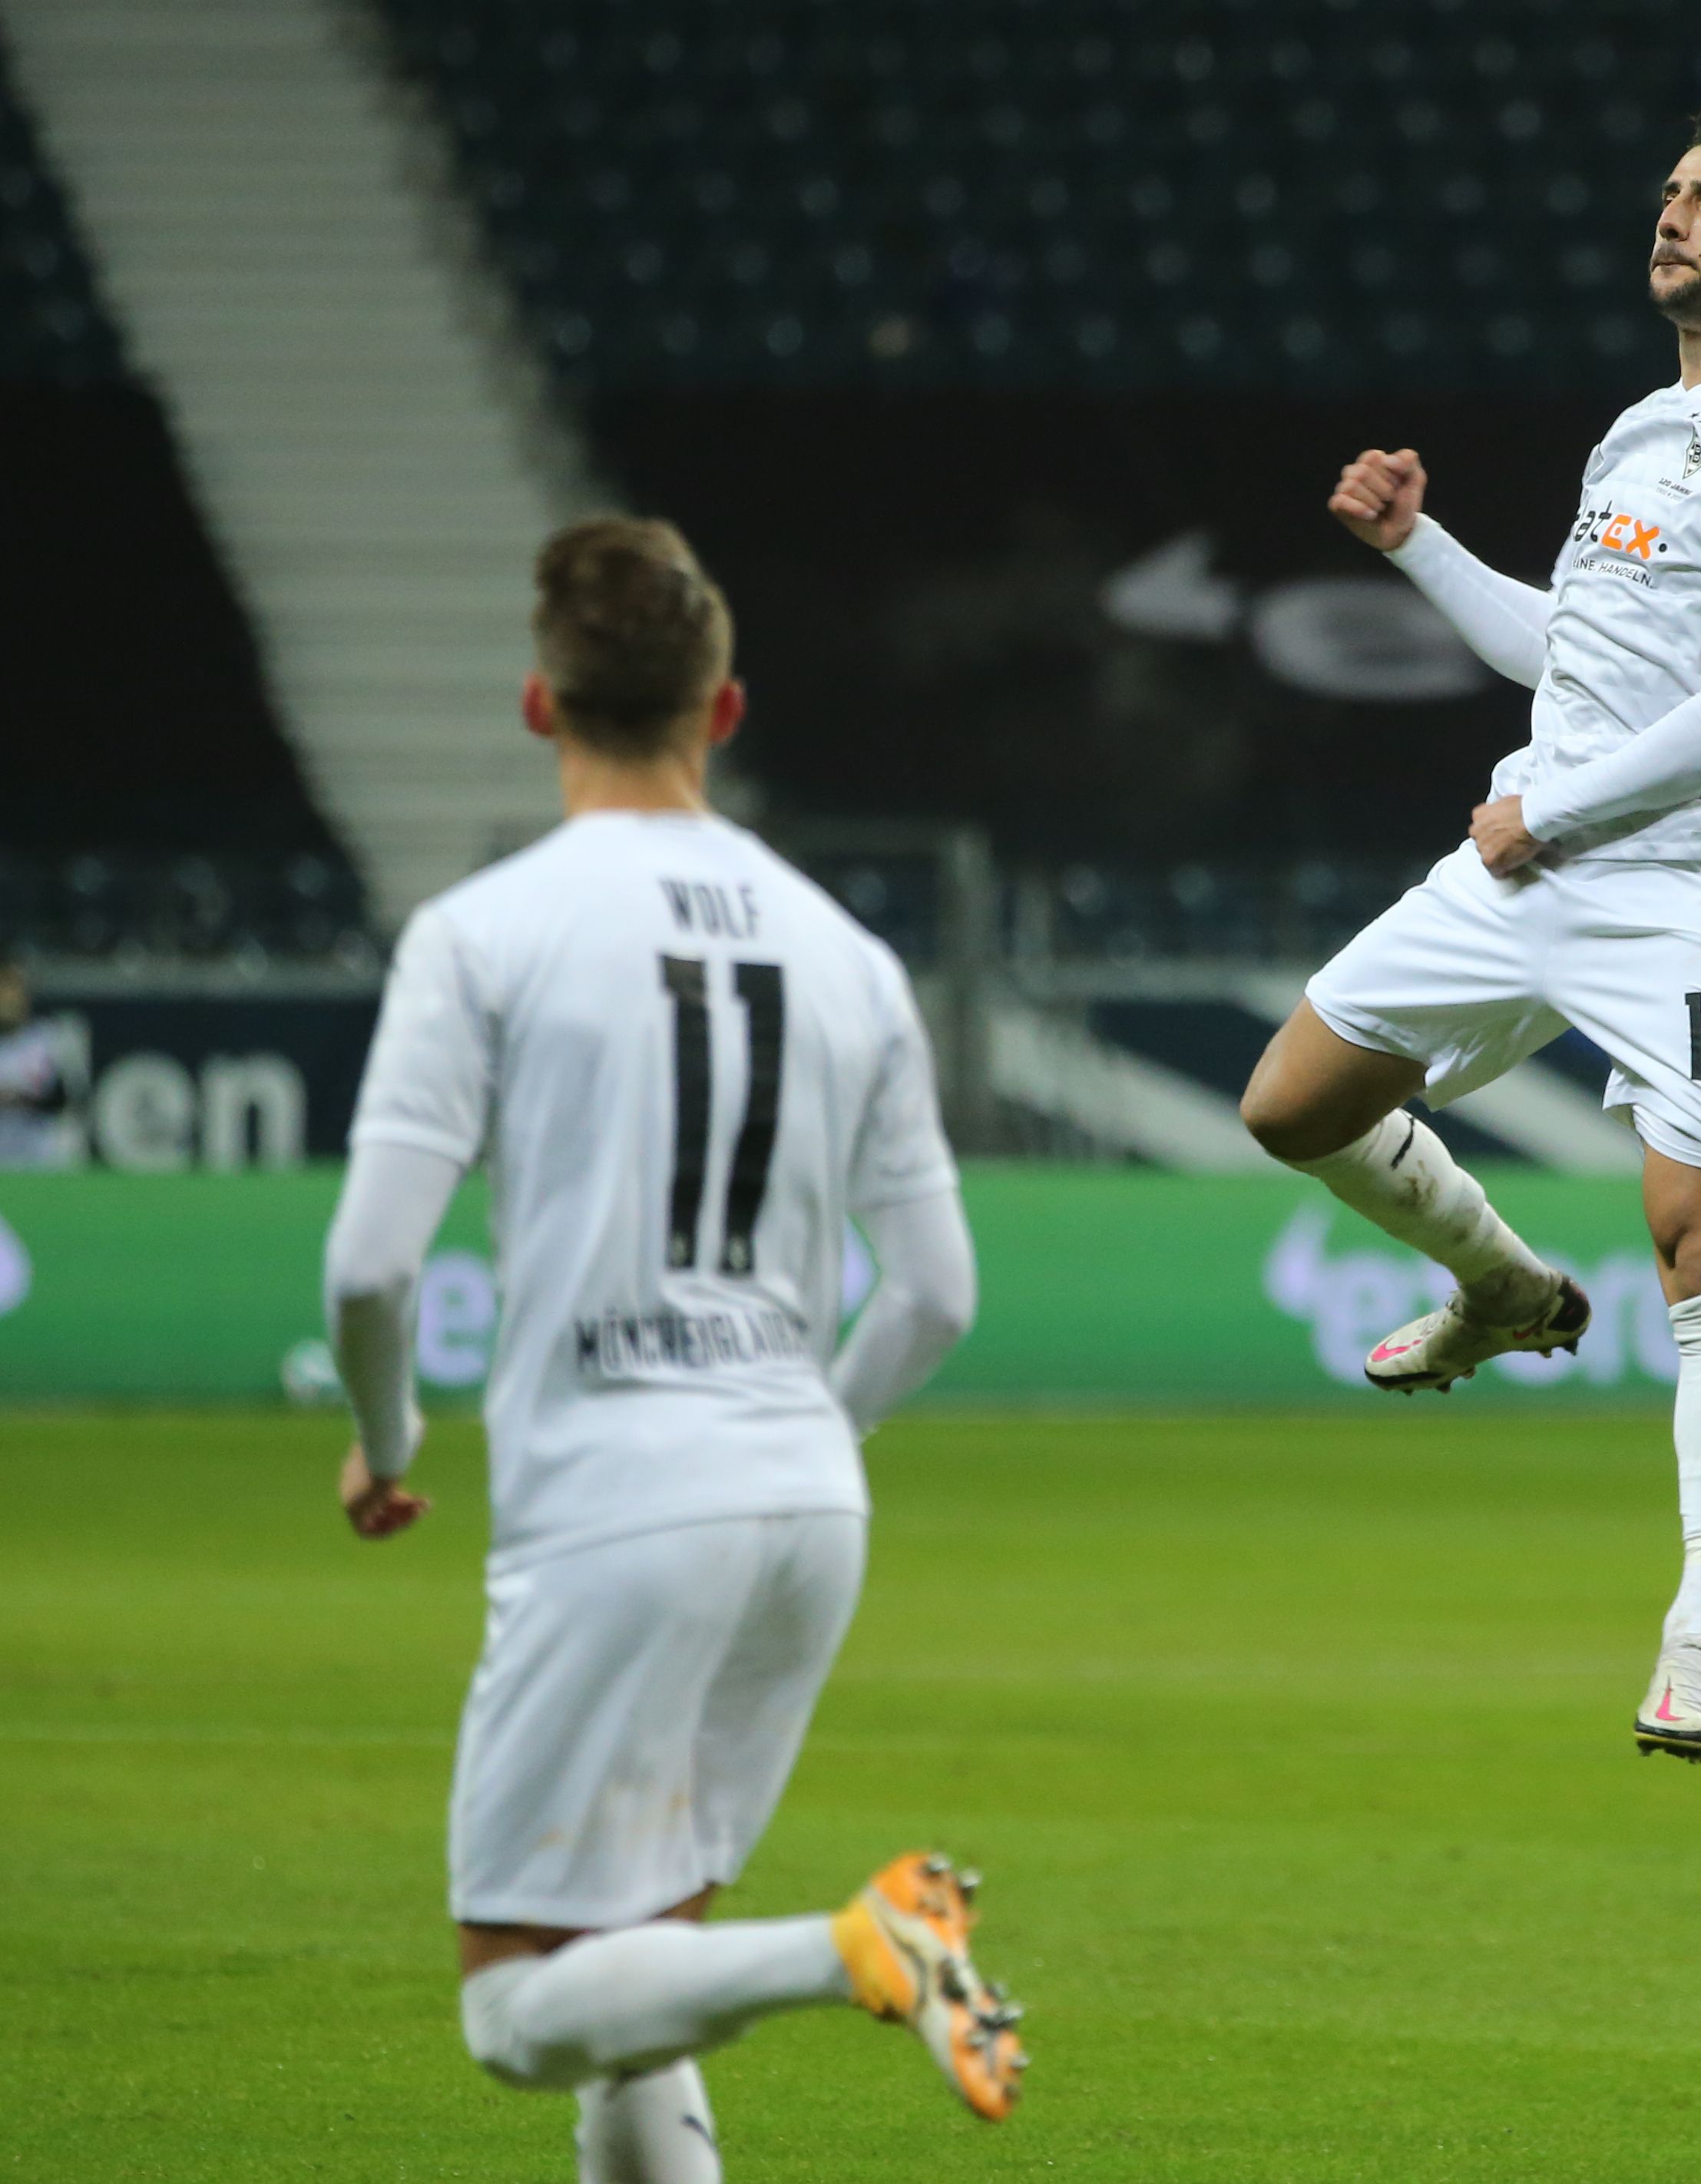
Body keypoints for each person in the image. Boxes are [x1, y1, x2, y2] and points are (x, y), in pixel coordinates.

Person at [323, 517, 1022, 2180]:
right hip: (802, 1506)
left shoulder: (483, 933)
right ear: (724, 713)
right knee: (634, 1979)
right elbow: (934, 1291)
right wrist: (803, 1434)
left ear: (536, 708)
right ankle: (842, 1954)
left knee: (520, 2007)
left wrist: (390, 1443)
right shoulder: (850, 957)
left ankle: (861, 1943)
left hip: (616, 1504)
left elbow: (369, 1266)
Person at [1236, 91, 1701, 1762]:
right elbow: (1569, 663)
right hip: (1538, 852)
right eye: (1670, 192)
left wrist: (1553, 814)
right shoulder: (1636, 432)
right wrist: (1417, 546)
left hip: (1679, 890)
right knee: (1292, 1105)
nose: (1676, 217)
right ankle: (1502, 1287)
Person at [0, 961, 76, 1169]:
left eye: (12, 992)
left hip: (36, 1157)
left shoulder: (45, 1038)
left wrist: (24, 1099)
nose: (7, 1001)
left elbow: (64, 1097)